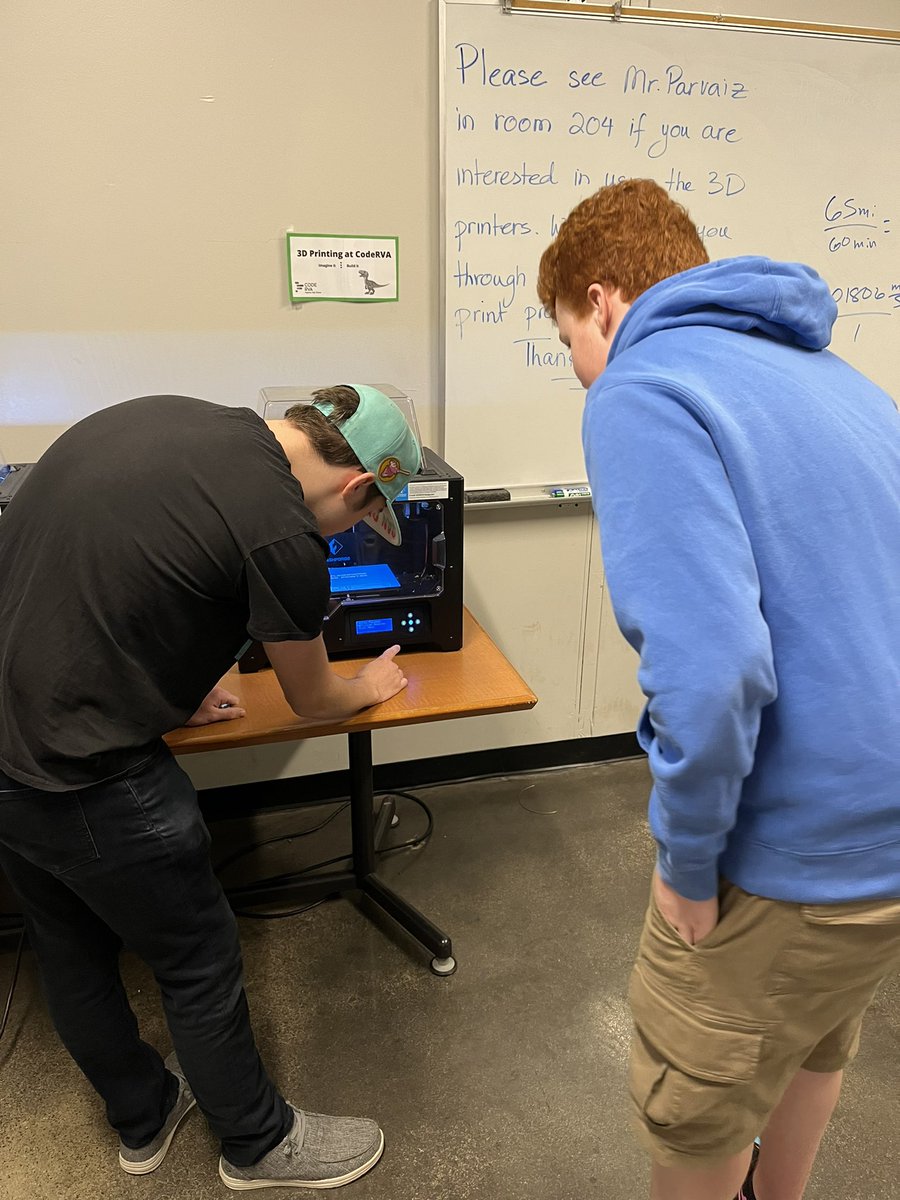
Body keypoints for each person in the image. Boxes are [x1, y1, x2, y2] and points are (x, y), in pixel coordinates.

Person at [537, 179, 900, 1200]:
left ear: (603, 301)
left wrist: (689, 860)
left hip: (784, 849)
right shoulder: (840, 379)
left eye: (569, 342)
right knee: (816, 1039)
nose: (579, 372)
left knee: (694, 1100)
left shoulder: (643, 389)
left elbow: (714, 668)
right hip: (883, 844)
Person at [0, 384, 421, 1190]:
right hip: (85, 774)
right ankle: (257, 1144)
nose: (339, 537)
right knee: (197, 958)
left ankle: (143, 1117)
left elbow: (105, 577)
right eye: (356, 524)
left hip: (7, 751)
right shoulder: (283, 535)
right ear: (361, 487)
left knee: (69, 947)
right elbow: (312, 698)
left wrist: (169, 690)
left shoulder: (170, 416)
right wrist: (366, 686)